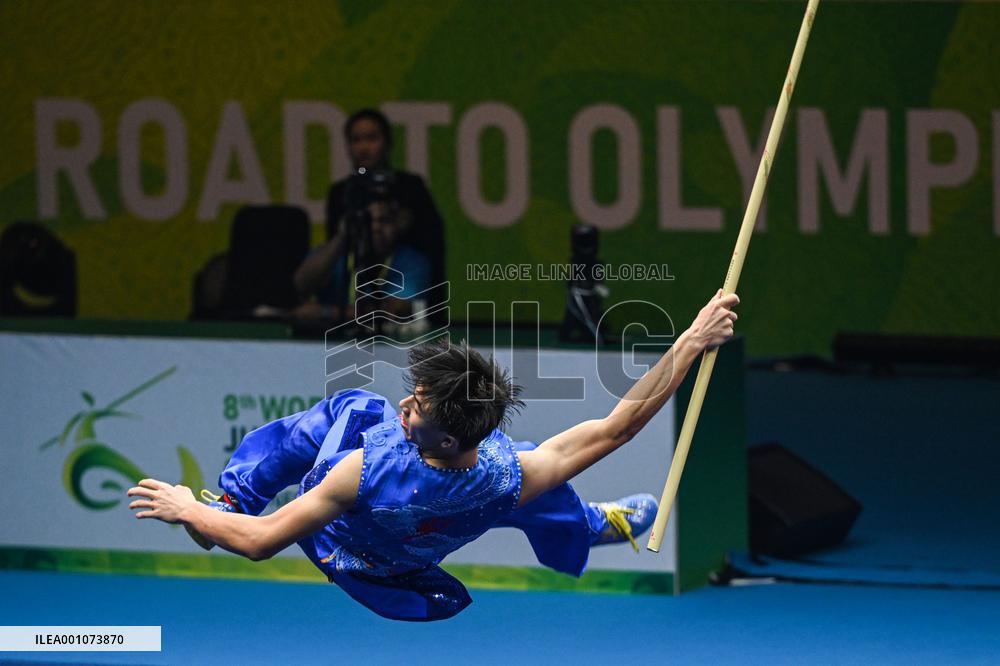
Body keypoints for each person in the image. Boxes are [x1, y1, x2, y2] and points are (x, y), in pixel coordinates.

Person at [127, 290, 740, 621]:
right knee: (538, 480)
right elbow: (619, 427)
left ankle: (231, 497)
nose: (405, 405)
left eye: (416, 407)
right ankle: (592, 524)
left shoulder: (361, 473)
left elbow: (261, 542)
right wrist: (691, 338)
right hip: (435, 530)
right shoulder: (503, 474)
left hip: (353, 549)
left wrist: (189, 510)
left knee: (354, 409)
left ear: (446, 438)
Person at [296, 108, 445, 322]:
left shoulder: (411, 188)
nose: (364, 148)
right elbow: (302, 286)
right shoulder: (341, 193)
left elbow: (432, 248)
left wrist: (324, 313)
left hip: (396, 291)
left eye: (372, 138)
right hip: (351, 296)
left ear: (388, 144)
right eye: (356, 140)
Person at [292, 198, 431, 323]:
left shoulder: (413, 261)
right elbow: (297, 290)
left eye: (384, 220)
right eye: (367, 221)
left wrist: (324, 313)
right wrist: (341, 237)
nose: (375, 228)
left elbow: (393, 311)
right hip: (328, 338)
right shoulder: (330, 253)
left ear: (399, 225)